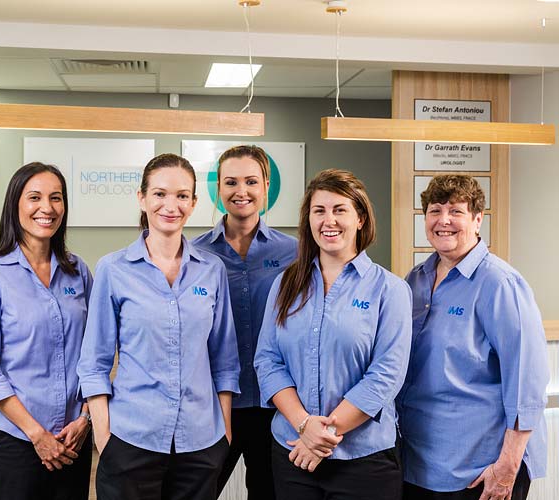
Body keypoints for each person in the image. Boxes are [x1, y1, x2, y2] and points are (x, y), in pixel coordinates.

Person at [77, 153, 240, 500]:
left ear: (194, 203)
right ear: (142, 198)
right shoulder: (113, 269)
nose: (171, 205)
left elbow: (225, 360)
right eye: (160, 194)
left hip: (201, 443)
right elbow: (94, 362)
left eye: (182, 196)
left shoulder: (212, 270)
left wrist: (224, 432)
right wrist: (105, 438)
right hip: (131, 440)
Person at [254, 168, 412, 500]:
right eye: (319, 211)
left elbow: (385, 376)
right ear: (308, 220)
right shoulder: (285, 284)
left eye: (340, 210)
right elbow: (267, 361)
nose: (329, 221)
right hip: (293, 452)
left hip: (364, 460)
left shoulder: (390, 290)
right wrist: (303, 427)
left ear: (361, 219)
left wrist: (323, 436)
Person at [397, 174, 549, 500]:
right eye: (435, 211)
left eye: (456, 211)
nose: (444, 221)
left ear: (478, 219)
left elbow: (527, 383)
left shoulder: (499, 283)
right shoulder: (416, 279)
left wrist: (508, 466)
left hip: (480, 468)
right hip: (422, 462)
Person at [0, 162, 93, 500]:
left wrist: (85, 419)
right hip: (18, 445)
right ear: (16, 205)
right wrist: (38, 436)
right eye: (35, 197)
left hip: (73, 441)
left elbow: (94, 354)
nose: (47, 208)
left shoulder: (78, 271)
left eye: (56, 198)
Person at [192, 145, 297, 499]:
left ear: (266, 186)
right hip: (213, 401)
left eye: (251, 181)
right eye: (231, 182)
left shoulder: (295, 253)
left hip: (275, 403)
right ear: (218, 189)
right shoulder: (194, 253)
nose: (242, 192)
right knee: (199, 490)